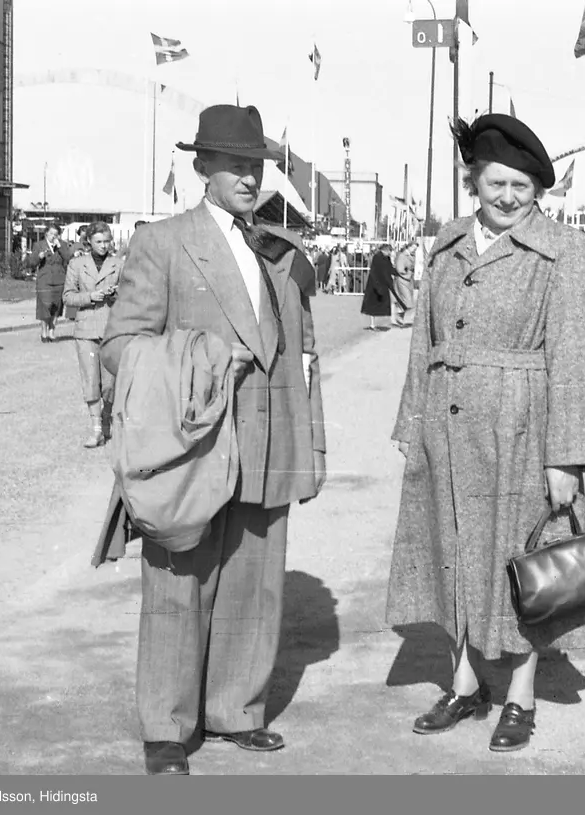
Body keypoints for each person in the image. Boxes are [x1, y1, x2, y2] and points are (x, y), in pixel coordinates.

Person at [100, 103, 328, 776]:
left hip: (267, 441)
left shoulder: (279, 251)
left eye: (255, 165)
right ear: (202, 167)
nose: (249, 177)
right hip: (192, 448)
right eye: (234, 164)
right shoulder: (164, 243)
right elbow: (119, 345)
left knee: (254, 587)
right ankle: (167, 728)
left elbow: (302, 355)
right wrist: (198, 358)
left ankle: (236, 709)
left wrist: (308, 446)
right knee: (178, 585)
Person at [386, 113, 585, 754]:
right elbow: (424, 340)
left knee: (521, 561)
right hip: (446, 423)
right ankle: (463, 683)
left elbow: (577, 360)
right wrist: (412, 421)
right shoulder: (447, 244)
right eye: (495, 183)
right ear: (472, 181)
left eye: (521, 186)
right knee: (449, 548)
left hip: (521, 427)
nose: (508, 197)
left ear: (538, 189)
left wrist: (567, 458)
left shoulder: (563, 250)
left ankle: (520, 694)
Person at [62, 221, 122, 449]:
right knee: (90, 381)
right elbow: (68, 297)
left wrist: (116, 294)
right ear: (88, 241)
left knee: (110, 383)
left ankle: (107, 418)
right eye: (98, 241)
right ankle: (96, 429)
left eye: (107, 241)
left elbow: (131, 293)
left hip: (111, 330)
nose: (103, 246)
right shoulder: (77, 264)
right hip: (86, 330)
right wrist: (90, 296)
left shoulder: (118, 264)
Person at [25, 225, 74, 342]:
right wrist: (39, 257)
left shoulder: (62, 245)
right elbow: (31, 263)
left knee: (56, 307)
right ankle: (44, 332)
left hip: (59, 279)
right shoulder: (39, 245)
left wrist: (60, 247)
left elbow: (68, 258)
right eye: (51, 234)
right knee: (45, 306)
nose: (53, 236)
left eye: (56, 234)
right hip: (44, 280)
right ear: (46, 233)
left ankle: (52, 331)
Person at [361, 244, 396, 330]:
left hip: (382, 283)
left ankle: (375, 323)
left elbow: (389, 268)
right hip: (375, 284)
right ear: (385, 250)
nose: (390, 253)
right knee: (373, 304)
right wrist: (377, 285)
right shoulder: (377, 257)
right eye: (389, 251)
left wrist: (396, 273)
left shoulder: (386, 258)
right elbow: (374, 272)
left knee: (380, 304)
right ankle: (372, 324)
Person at [391, 242, 417, 327]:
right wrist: (408, 272)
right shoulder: (402, 256)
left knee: (406, 300)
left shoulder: (411, 256)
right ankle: (399, 316)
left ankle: (400, 318)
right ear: (409, 247)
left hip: (408, 280)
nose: (414, 250)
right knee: (406, 300)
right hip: (402, 280)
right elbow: (400, 269)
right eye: (413, 248)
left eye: (415, 248)